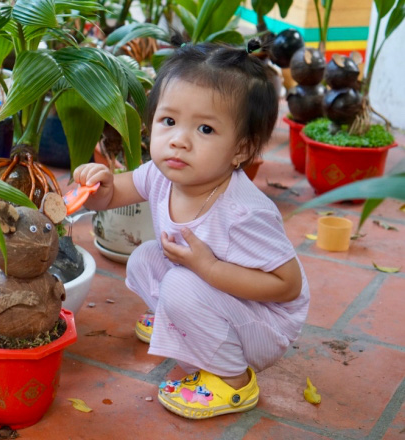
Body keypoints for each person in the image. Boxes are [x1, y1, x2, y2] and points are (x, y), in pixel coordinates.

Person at [73, 38, 309, 419]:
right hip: (212, 291)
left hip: (264, 324)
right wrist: (100, 187)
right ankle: (183, 319)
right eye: (169, 121)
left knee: (181, 285)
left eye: (204, 129)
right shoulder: (163, 175)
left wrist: (208, 268)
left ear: (242, 149)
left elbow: (288, 286)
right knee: (145, 258)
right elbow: (115, 193)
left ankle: (232, 378)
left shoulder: (243, 213)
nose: (179, 140)